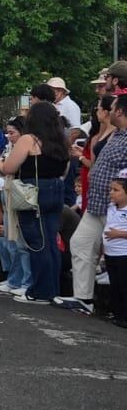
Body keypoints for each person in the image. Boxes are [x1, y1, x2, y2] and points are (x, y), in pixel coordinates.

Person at [0, 100, 71, 307]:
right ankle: (52, 288)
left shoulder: (29, 140)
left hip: (33, 192)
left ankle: (40, 291)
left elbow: (9, 167)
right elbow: (65, 171)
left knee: (36, 243)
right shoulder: (61, 141)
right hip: (56, 191)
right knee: (50, 241)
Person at [65, 94, 127, 315]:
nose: (108, 112)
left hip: (116, 207)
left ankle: (115, 307)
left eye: (111, 108)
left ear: (119, 111)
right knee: (80, 244)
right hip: (97, 202)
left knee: (115, 257)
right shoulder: (117, 134)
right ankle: (83, 298)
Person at [100, 175, 127, 328]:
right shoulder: (110, 208)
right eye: (110, 189)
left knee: (124, 285)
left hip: (124, 254)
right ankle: (118, 314)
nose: (111, 192)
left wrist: (119, 234)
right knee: (115, 284)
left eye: (116, 190)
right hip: (111, 253)